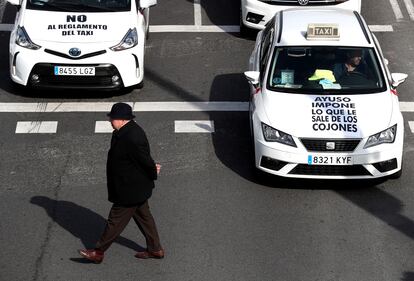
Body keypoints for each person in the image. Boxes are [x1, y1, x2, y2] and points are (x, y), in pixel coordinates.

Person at [78, 102, 164, 263]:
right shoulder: (122, 132)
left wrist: (153, 170)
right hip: (133, 186)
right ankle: (155, 249)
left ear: (123, 119)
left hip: (130, 188)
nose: (110, 121)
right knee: (144, 218)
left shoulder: (133, 137)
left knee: (115, 220)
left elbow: (144, 159)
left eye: (112, 118)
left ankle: (98, 252)